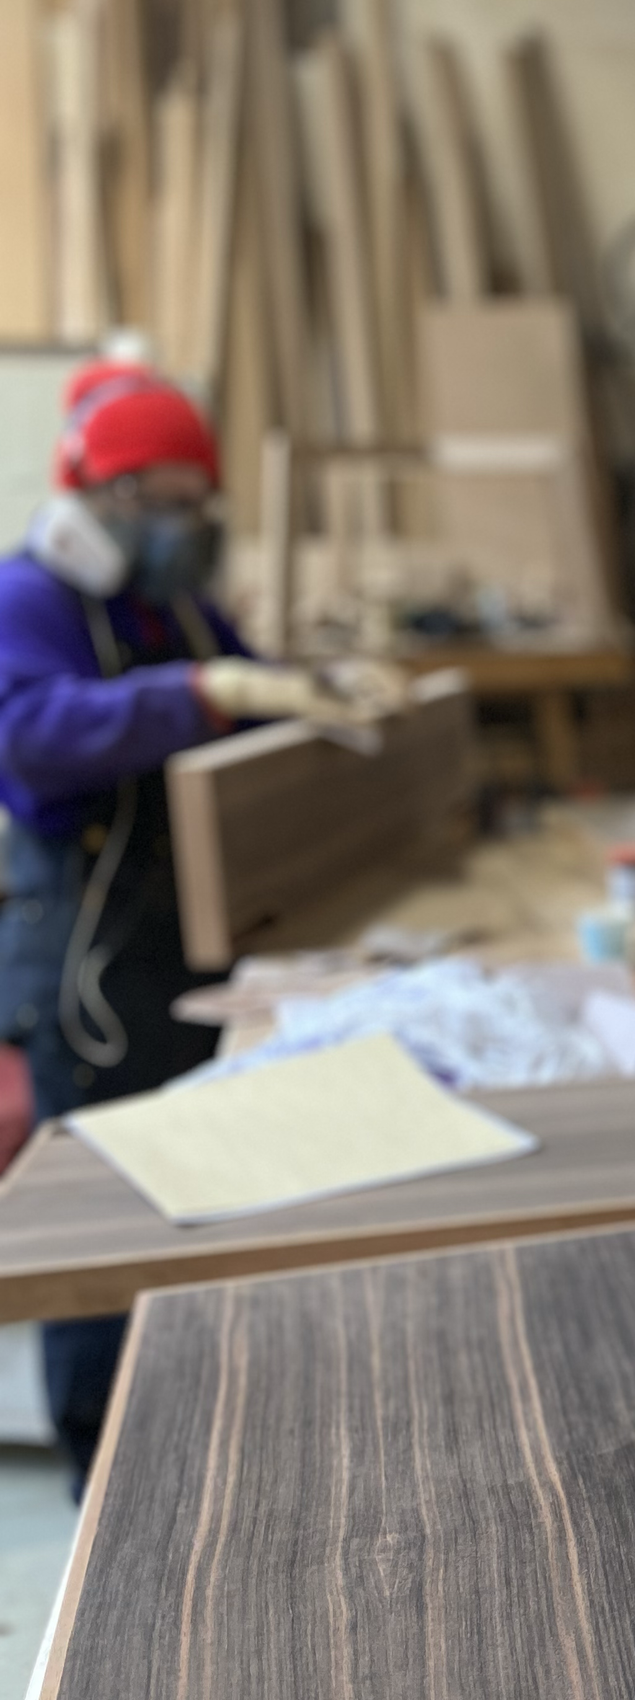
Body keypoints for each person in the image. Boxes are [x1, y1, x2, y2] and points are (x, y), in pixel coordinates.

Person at [0, 362, 401, 1487]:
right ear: (97, 499)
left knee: (205, 1197)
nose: (186, 523)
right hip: (85, 966)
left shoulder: (169, 604)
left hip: (184, 950)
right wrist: (204, 695)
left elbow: (252, 688)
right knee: (103, 1234)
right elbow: (28, 733)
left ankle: (205, 1459)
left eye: (197, 499)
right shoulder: (28, 598)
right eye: (162, 500)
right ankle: (107, 1480)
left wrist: (315, 687)